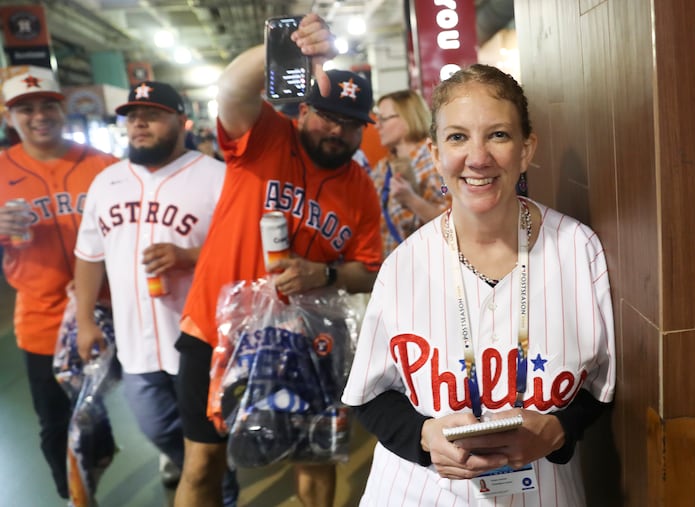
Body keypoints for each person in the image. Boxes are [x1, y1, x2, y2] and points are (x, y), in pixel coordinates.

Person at [341, 64, 616, 506]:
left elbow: (602, 388)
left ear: (527, 149)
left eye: (498, 135)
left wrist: (559, 429)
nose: (477, 157)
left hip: (540, 491)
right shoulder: (403, 266)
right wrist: (424, 435)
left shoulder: (579, 251)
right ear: (434, 153)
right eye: (457, 137)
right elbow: (367, 397)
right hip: (421, 491)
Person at [174, 13, 382, 507]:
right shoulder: (267, 137)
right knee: (203, 464)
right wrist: (286, 51)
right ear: (303, 110)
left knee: (314, 459)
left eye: (351, 124)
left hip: (306, 340)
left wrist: (324, 272)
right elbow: (232, 90)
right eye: (327, 115)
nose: (337, 130)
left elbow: (368, 268)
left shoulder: (361, 189)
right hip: (214, 331)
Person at [72, 81, 238, 505]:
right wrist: (87, 320)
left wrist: (190, 255)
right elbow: (89, 255)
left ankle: (217, 486)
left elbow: (243, 253)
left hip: (200, 340)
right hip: (134, 343)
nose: (139, 123)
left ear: (181, 121)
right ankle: (208, 474)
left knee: (206, 441)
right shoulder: (106, 182)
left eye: (152, 114)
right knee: (158, 429)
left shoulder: (217, 177)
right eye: (131, 115)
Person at [0, 65, 118, 500]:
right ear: (9, 116)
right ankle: (73, 495)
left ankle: (155, 448)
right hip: (41, 316)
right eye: (24, 108)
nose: (37, 116)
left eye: (46, 105)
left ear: (62, 108)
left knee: (129, 404)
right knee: (55, 421)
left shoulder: (104, 165)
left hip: (114, 310)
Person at [371, 89, 449, 257]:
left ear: (407, 118)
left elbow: (455, 224)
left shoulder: (435, 159)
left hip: (428, 267)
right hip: (393, 268)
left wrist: (411, 200)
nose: (377, 125)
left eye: (383, 118)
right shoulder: (383, 167)